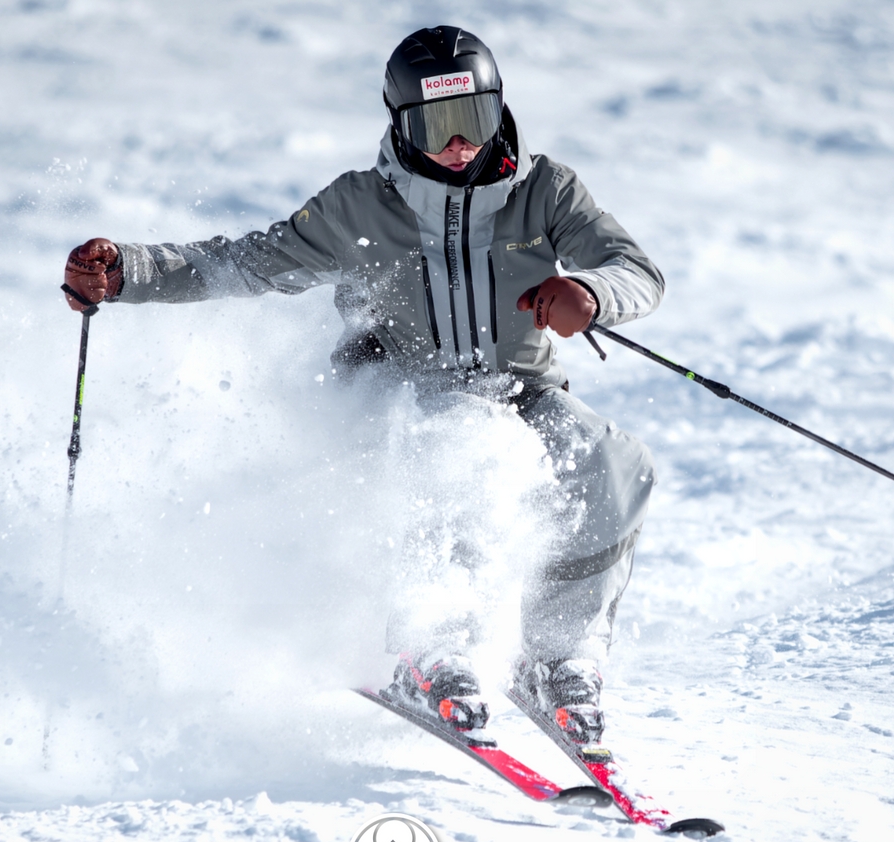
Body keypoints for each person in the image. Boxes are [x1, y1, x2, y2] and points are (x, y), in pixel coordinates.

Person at [62, 25, 663, 746]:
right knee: (459, 442)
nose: (457, 145)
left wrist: (589, 294)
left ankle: (559, 655)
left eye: (471, 119)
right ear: (398, 123)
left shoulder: (546, 191)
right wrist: (129, 272)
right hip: (399, 388)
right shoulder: (360, 205)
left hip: (518, 386)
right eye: (435, 125)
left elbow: (635, 269)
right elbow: (252, 261)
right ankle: (429, 645)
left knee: (611, 463)